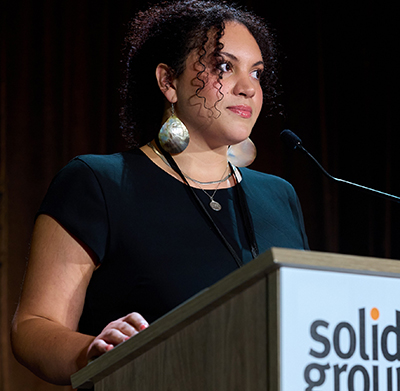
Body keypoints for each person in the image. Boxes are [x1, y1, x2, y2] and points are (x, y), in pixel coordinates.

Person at [11, 0, 309, 386]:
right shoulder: (99, 182)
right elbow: (33, 326)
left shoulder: (279, 196)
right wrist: (89, 352)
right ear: (169, 82)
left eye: (256, 72)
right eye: (224, 66)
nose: (248, 88)